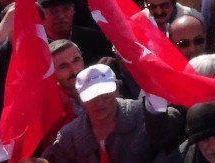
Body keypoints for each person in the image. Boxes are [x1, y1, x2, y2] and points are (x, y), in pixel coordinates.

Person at [44, 63, 183, 161]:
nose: (99, 103)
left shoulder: (143, 115)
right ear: (81, 100)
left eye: (105, 95)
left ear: (116, 90)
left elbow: (169, 138)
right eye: (92, 98)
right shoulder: (68, 137)